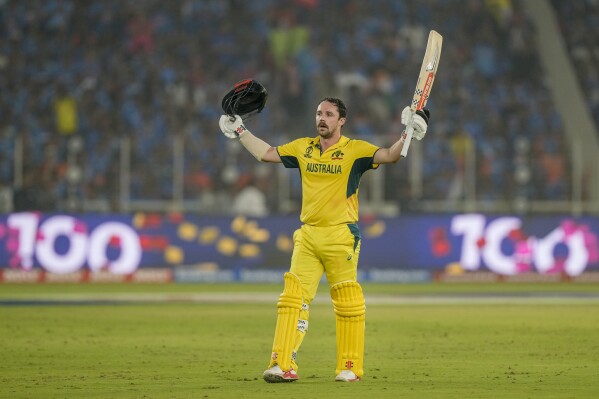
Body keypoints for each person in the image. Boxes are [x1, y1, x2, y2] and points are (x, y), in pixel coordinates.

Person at [219, 98, 429, 383]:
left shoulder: (355, 150)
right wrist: (240, 131)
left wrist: (409, 133)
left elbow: (391, 155)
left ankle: (350, 367)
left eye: (329, 114)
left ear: (342, 120)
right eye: (319, 113)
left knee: (347, 302)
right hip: (307, 235)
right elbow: (267, 153)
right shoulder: (303, 148)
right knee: (292, 299)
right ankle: (282, 364)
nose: (322, 118)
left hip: (341, 235)